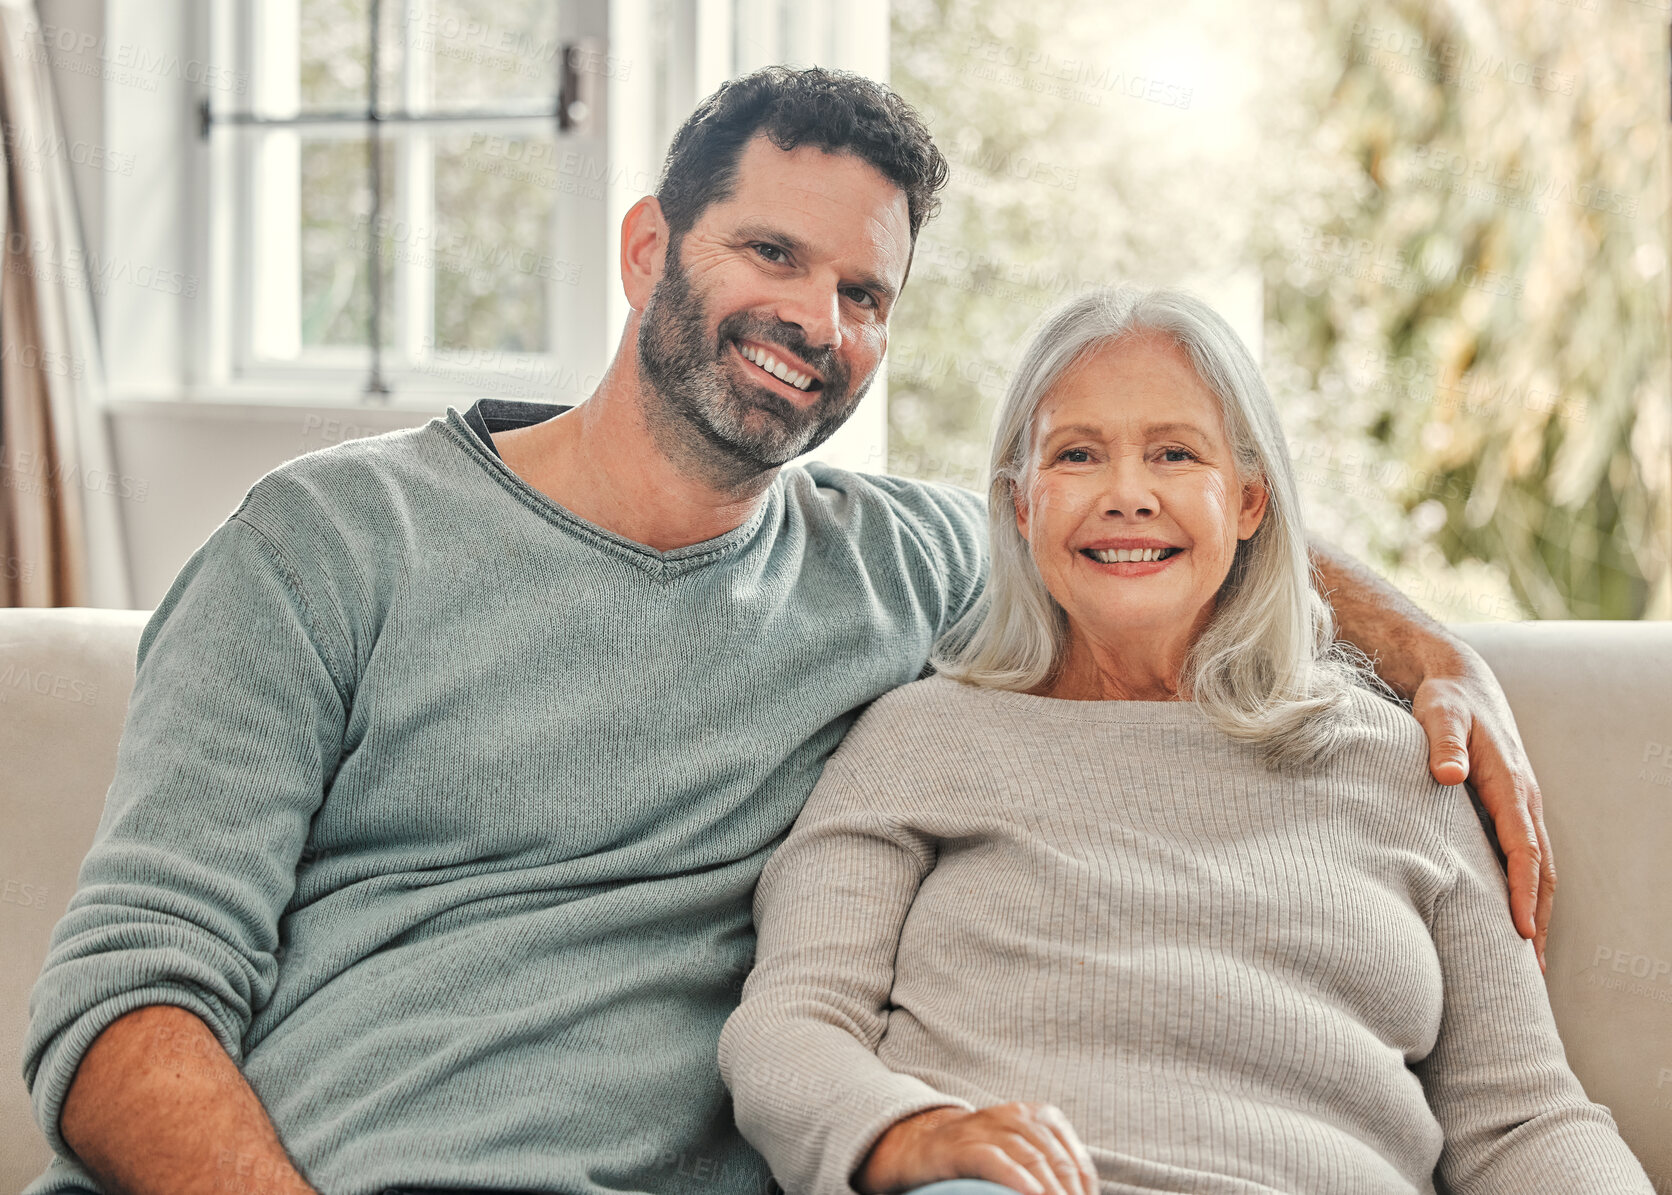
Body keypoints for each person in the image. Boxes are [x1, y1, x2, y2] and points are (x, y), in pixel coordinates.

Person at [24, 68, 1553, 1195]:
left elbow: (1151, 514)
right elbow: (124, 999)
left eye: (865, 291)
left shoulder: (903, 566)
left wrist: (1424, 648)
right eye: (771, 254)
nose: (817, 319)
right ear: (645, 251)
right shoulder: (330, 539)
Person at [717, 286, 1651, 1195]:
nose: (1127, 496)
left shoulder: (1404, 761)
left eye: (1173, 454)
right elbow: (793, 1022)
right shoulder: (919, 737)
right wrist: (910, 1132)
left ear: (1249, 502)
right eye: (1077, 455)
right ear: (1020, 503)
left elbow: (1523, 1117)